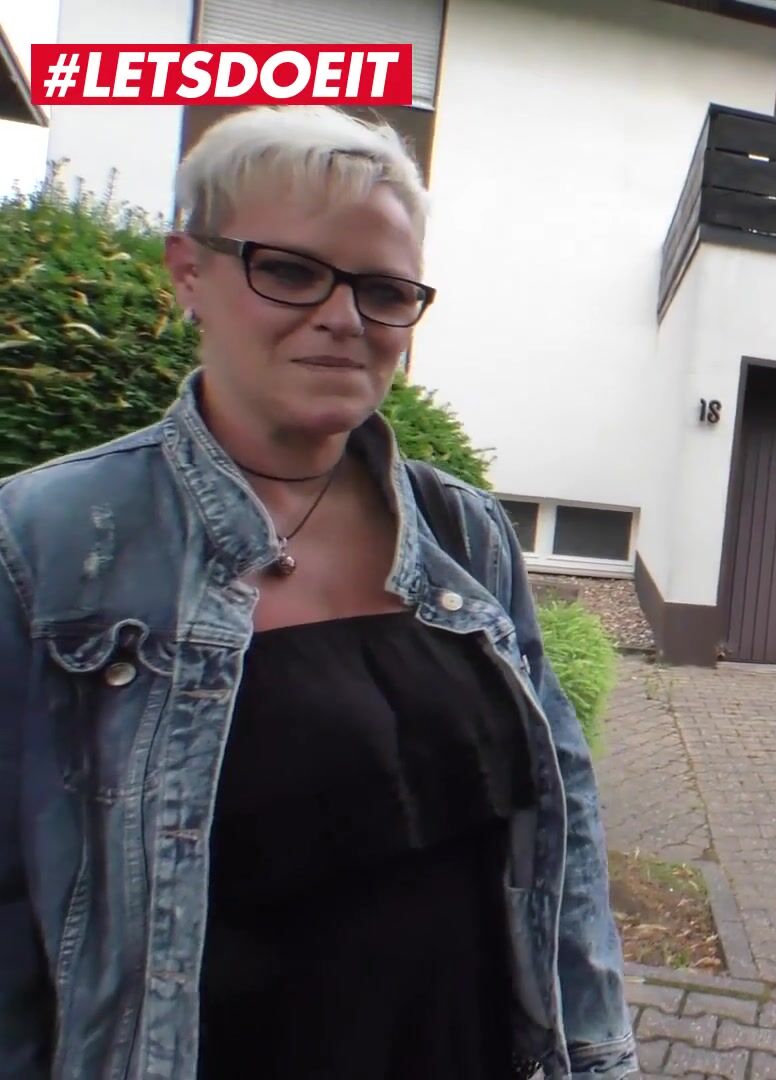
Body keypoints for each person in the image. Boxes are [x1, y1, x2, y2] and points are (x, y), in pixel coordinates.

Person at [0, 106, 635, 1079]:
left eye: (384, 290)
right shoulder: (46, 543)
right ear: (188, 271)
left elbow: (565, 815)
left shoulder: (463, 531)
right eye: (291, 271)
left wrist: (596, 1053)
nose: (344, 318)